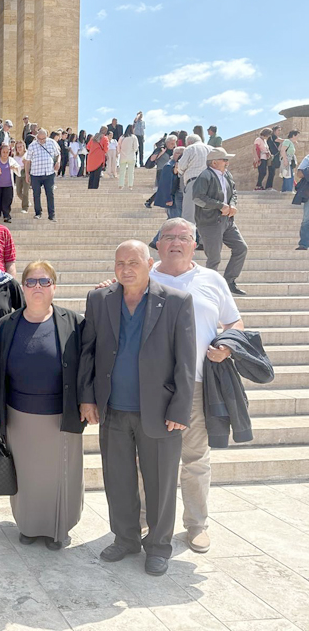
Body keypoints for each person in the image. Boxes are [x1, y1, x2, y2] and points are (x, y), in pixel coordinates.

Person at [78, 240, 196, 576]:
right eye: (119, 263)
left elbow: (186, 361)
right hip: (113, 407)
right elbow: (88, 351)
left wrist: (179, 409)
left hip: (158, 410)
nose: (126, 269)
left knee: (160, 482)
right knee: (118, 478)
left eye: (133, 262)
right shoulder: (100, 299)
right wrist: (88, 397)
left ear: (150, 262)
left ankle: (159, 546)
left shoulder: (176, 301)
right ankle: (126, 537)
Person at [148, 217, 243, 554]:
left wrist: (228, 344)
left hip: (196, 384)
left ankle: (196, 524)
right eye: (168, 237)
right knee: (147, 458)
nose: (175, 242)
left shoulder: (212, 280)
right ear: (157, 243)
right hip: (150, 387)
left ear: (195, 243)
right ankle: (147, 520)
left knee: (195, 459)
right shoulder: (143, 276)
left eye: (183, 237)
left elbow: (234, 321)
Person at [0, 260, 85, 549]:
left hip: (61, 414)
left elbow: (88, 366)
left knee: (60, 475)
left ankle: (59, 529)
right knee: (27, 475)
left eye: (44, 282)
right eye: (31, 282)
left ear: (54, 287)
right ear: (23, 287)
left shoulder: (75, 322)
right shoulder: (6, 326)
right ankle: (29, 527)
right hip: (19, 415)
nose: (37, 287)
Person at [192, 147, 248, 296]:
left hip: (227, 221)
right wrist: (219, 205)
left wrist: (233, 205)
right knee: (214, 258)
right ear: (214, 162)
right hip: (210, 222)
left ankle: (229, 281)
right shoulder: (205, 176)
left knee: (241, 248)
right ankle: (208, 287)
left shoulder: (227, 174)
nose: (227, 162)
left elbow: (233, 192)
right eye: (225, 159)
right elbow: (198, 197)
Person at [149, 146, 185, 247]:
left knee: (171, 221)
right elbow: (165, 184)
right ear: (176, 154)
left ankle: (156, 241)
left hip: (174, 197)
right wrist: (168, 198)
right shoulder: (169, 166)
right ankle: (156, 241)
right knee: (172, 222)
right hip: (172, 199)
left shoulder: (174, 165)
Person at [24, 128, 60, 221]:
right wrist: (27, 174)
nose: (41, 141)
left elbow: (58, 154)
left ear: (46, 137)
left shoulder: (52, 143)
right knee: (36, 194)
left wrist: (58, 162)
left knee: (50, 194)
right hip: (35, 173)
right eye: (39, 139)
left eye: (43, 139)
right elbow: (27, 161)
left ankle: (52, 215)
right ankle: (38, 213)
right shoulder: (32, 145)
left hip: (49, 173)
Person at [176, 134, 212, 225]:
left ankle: (189, 238)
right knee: (208, 217)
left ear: (189, 142)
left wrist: (181, 172)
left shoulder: (190, 148)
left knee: (189, 217)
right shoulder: (212, 149)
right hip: (211, 183)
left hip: (194, 182)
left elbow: (181, 166)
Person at [117, 125, 139, 190]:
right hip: (131, 156)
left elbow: (118, 146)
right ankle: (130, 185)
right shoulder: (134, 137)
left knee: (122, 172)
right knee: (131, 172)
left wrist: (119, 152)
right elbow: (136, 147)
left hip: (123, 156)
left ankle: (121, 185)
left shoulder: (122, 137)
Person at [265, 126, 283, 191]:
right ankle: (268, 187)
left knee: (272, 172)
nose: (279, 132)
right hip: (272, 157)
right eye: (278, 130)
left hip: (273, 157)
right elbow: (279, 140)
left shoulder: (272, 137)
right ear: (274, 131)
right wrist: (288, 140)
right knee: (271, 172)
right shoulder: (273, 137)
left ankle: (269, 187)